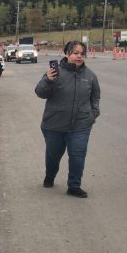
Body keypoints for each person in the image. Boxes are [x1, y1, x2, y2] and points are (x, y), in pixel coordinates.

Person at [34, 41, 100, 198]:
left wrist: (92, 115)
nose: (79, 56)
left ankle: (74, 186)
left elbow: (95, 97)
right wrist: (47, 80)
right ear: (67, 53)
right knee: (53, 156)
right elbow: (40, 93)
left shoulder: (90, 76)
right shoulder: (55, 72)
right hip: (54, 125)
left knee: (78, 156)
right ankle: (50, 176)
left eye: (82, 54)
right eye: (75, 53)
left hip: (81, 125)